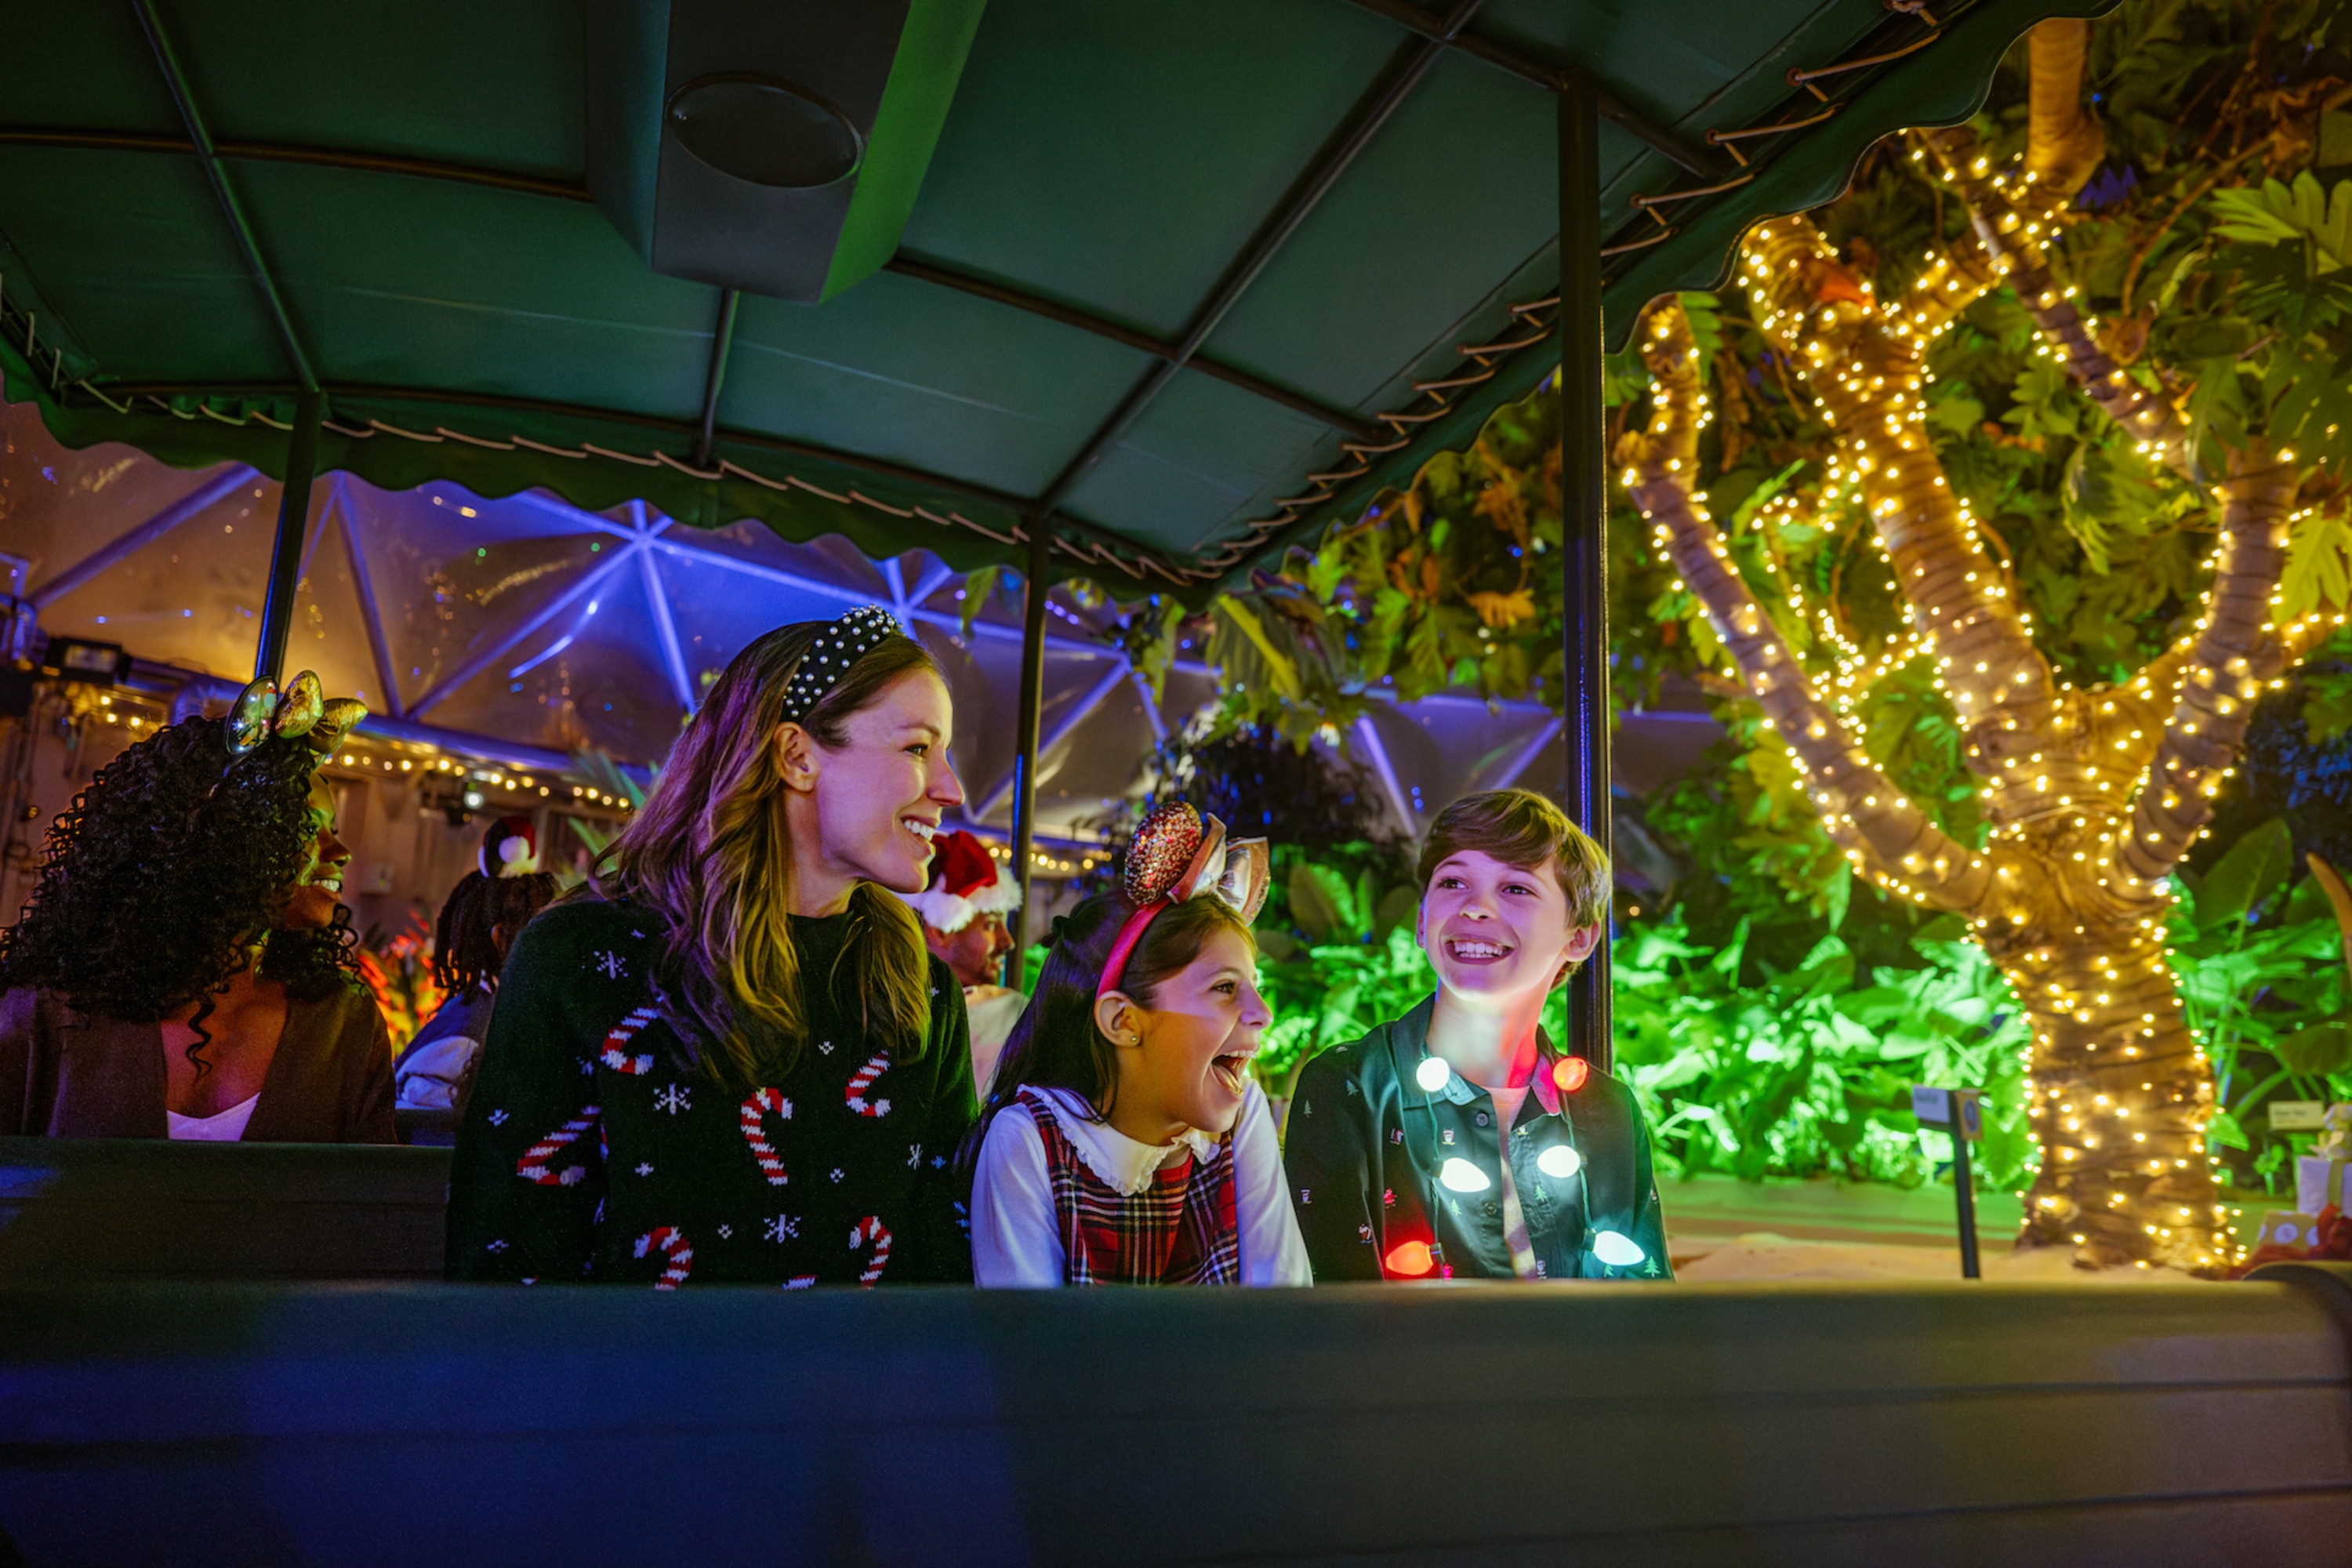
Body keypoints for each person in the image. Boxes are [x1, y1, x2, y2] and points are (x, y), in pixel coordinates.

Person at [446, 605, 979, 1287]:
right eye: (917, 748)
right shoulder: (583, 956)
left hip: (861, 1364)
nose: (951, 789)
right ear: (797, 757)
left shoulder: (921, 985)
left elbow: (943, 1257)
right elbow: (505, 1262)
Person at [1283, 788, 1668, 1281]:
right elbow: (1331, 1303)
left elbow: (1646, 1301)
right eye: (1453, 882)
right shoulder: (1352, 1086)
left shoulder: (1605, 1108)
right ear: (1422, 920)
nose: (1475, 908)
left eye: (1516, 888)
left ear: (1579, 937)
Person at [0, 672, 395, 1143]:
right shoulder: (48, 1010)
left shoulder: (343, 1024)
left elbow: (372, 1186)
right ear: (219, 837)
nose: (340, 853)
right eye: (309, 828)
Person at [969, 801, 1308, 1287]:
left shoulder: (1241, 1115)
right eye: (1225, 988)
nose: (1263, 1014)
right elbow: (1030, 1332)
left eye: (1253, 986)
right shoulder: (1029, 1139)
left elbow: (1283, 1298)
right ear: (1123, 1021)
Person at [393, 817, 559, 1132]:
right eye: (544, 933)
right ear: (501, 940)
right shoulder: (472, 1026)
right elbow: (416, 1096)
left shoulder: (495, 1009)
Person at [896, 827, 1023, 1093]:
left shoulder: (1017, 1013)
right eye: (990, 925)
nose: (1007, 941)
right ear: (940, 931)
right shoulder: (890, 1005)